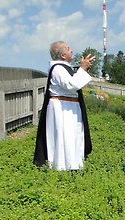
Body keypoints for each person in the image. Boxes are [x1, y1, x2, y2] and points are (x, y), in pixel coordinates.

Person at [33, 40, 94, 170]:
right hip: (62, 108)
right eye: (68, 48)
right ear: (62, 55)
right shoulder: (58, 69)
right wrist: (82, 69)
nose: (71, 50)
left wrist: (82, 68)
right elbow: (70, 85)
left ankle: (74, 164)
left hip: (69, 106)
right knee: (64, 136)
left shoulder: (64, 68)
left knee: (73, 136)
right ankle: (61, 166)